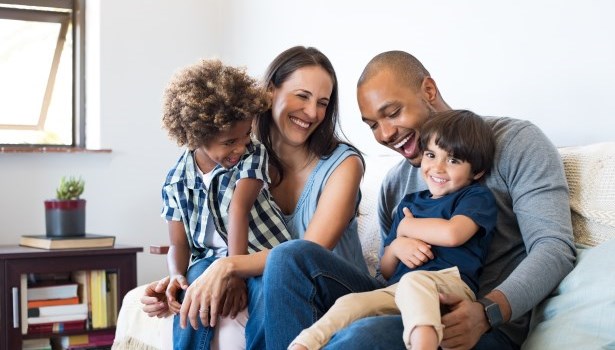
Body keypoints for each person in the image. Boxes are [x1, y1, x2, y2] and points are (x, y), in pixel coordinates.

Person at [263, 50, 576, 350]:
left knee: (361, 337)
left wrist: (487, 312)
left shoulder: (515, 142)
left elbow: (554, 247)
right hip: (399, 300)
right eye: (372, 124)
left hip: (473, 324)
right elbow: (387, 273)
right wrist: (396, 247)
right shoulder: (395, 184)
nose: (384, 134)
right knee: (289, 257)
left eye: (393, 113)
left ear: (428, 90)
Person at [141, 46, 368, 350]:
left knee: (281, 267)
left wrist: (228, 266)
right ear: (270, 91)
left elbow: (304, 256)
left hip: (332, 289)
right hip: (275, 284)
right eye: (302, 96)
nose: (312, 112)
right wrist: (177, 279)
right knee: (198, 287)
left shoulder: (342, 164)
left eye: (323, 103)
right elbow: (205, 235)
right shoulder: (236, 155)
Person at [289, 110, 497, 350]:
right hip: (398, 289)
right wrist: (397, 246)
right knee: (351, 303)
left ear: (477, 172)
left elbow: (453, 234)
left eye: (453, 160)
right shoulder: (409, 203)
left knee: (414, 282)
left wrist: (408, 227)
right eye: (431, 155)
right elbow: (386, 270)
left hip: (449, 285)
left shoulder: (474, 196)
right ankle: (302, 345)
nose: (438, 168)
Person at [159, 59, 292, 349]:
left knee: (265, 292)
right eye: (230, 141)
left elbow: (238, 209)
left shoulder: (253, 155)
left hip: (259, 253)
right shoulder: (175, 180)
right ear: (198, 136)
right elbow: (178, 245)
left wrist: (234, 272)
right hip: (208, 260)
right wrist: (176, 276)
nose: (241, 147)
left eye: (246, 135)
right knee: (193, 288)